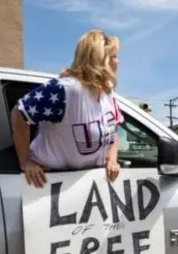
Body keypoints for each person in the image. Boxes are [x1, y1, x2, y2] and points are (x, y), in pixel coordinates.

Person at [11, 30, 124, 188]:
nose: (118, 62)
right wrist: (25, 161)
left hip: (84, 188)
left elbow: (114, 134)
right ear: (100, 59)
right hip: (45, 184)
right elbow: (19, 114)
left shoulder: (108, 93)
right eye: (114, 56)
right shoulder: (64, 89)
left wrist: (111, 161)